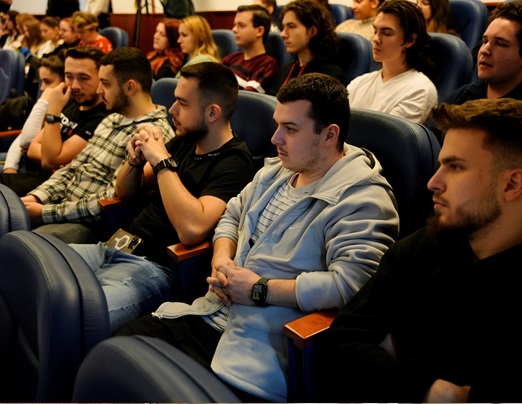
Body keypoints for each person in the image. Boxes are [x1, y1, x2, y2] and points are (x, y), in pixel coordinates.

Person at [116, 72, 399, 402]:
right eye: (277, 124)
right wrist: (222, 259)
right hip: (210, 315)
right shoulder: (276, 171)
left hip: (260, 351)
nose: (275, 138)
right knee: (119, 351)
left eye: (290, 129)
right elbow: (230, 217)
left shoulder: (363, 199)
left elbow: (352, 287)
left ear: (329, 134)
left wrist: (259, 289)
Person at [314, 97, 522, 402]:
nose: (433, 182)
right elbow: (338, 345)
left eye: (455, 167)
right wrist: (429, 389)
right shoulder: (426, 244)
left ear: (511, 185)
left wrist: (387, 363)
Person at [68, 62, 255, 333]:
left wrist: (162, 161)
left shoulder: (234, 162)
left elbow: (192, 229)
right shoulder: (184, 140)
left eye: (183, 103)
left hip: (152, 268)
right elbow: (125, 191)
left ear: (213, 112)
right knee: (30, 272)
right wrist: (134, 160)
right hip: (115, 245)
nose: (172, 110)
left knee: (76, 317)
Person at [21, 47, 175, 244]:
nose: (99, 90)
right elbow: (73, 168)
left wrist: (45, 212)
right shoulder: (111, 119)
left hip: (91, 224)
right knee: (9, 217)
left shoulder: (154, 135)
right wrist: (37, 197)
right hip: (62, 206)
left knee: (23, 245)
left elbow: (111, 199)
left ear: (130, 87)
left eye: (105, 84)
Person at [430, 1, 522, 142]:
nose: (484, 50)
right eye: (484, 41)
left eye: (500, 43)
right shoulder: (463, 95)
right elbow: (428, 144)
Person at [0, 50, 109, 196]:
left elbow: (49, 161)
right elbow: (32, 148)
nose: (75, 85)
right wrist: (53, 153)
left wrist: (53, 111)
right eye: (69, 76)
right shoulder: (71, 100)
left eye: (83, 78)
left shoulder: (102, 117)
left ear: (101, 78)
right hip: (28, 168)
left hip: (48, 184)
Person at [347, 0, 437, 124]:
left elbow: (387, 136)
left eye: (386, 33)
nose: (375, 39)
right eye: (375, 31)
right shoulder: (358, 83)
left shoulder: (420, 90)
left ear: (410, 40)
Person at [269, 0, 348, 95]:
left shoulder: (330, 77)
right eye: (283, 27)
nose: (283, 34)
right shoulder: (288, 68)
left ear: (312, 31)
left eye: (291, 26)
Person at [223, 4, 279, 93]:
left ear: (259, 31)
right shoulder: (231, 58)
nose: (234, 29)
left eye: (241, 25)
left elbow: (248, 98)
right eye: (235, 25)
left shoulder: (267, 65)